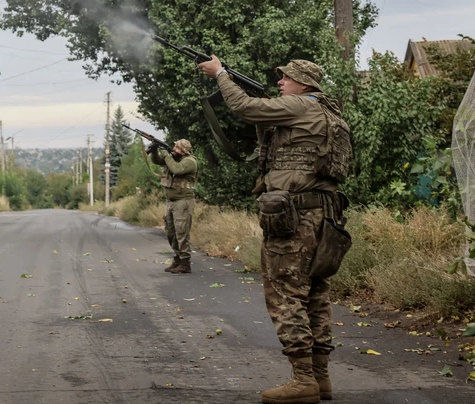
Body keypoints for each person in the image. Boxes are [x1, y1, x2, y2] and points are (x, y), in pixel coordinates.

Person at [199, 57, 350, 404]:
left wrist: (220, 74)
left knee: (286, 295)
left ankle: (303, 381)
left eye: (286, 77)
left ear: (304, 84)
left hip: (296, 219)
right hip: (324, 216)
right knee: (314, 294)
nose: (280, 82)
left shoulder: (300, 105)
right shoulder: (329, 112)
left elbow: (244, 107)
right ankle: (321, 378)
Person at [148, 138, 198, 274]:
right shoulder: (173, 159)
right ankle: (177, 258)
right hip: (170, 201)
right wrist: (154, 151)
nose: (174, 149)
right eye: (174, 147)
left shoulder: (190, 162)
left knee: (181, 232)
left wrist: (166, 154)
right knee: (171, 232)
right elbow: (158, 161)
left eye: (176, 148)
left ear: (183, 151)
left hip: (183, 201)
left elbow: (177, 169)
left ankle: (185, 262)